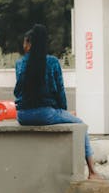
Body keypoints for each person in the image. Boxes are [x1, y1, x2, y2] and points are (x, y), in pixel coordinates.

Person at [14, 24, 102, 180]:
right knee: (81, 125)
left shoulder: (20, 63)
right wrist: (63, 111)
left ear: (29, 44)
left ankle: (93, 172)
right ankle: (93, 172)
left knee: (63, 116)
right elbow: (59, 90)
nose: (23, 45)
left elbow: (19, 92)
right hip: (45, 114)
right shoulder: (52, 62)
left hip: (22, 116)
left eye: (24, 42)